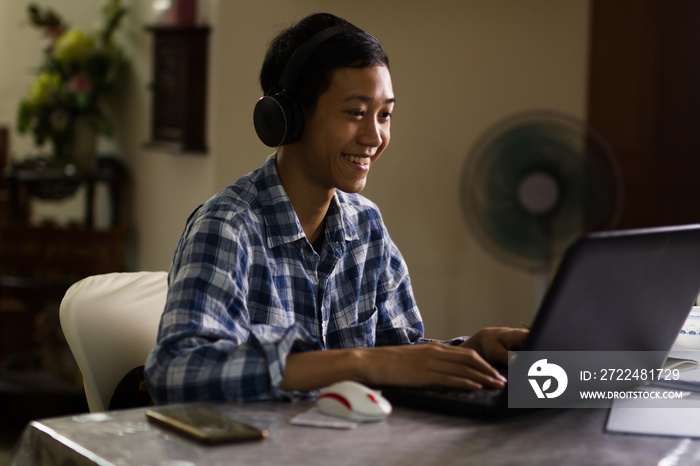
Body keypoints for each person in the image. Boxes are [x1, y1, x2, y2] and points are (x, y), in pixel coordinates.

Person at [144, 12, 527, 404]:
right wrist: (356, 362)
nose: (374, 137)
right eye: (356, 113)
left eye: (385, 115)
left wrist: (470, 351)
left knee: (574, 397)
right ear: (287, 118)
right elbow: (175, 371)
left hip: (350, 449)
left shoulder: (366, 224)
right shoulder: (227, 226)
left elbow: (397, 355)